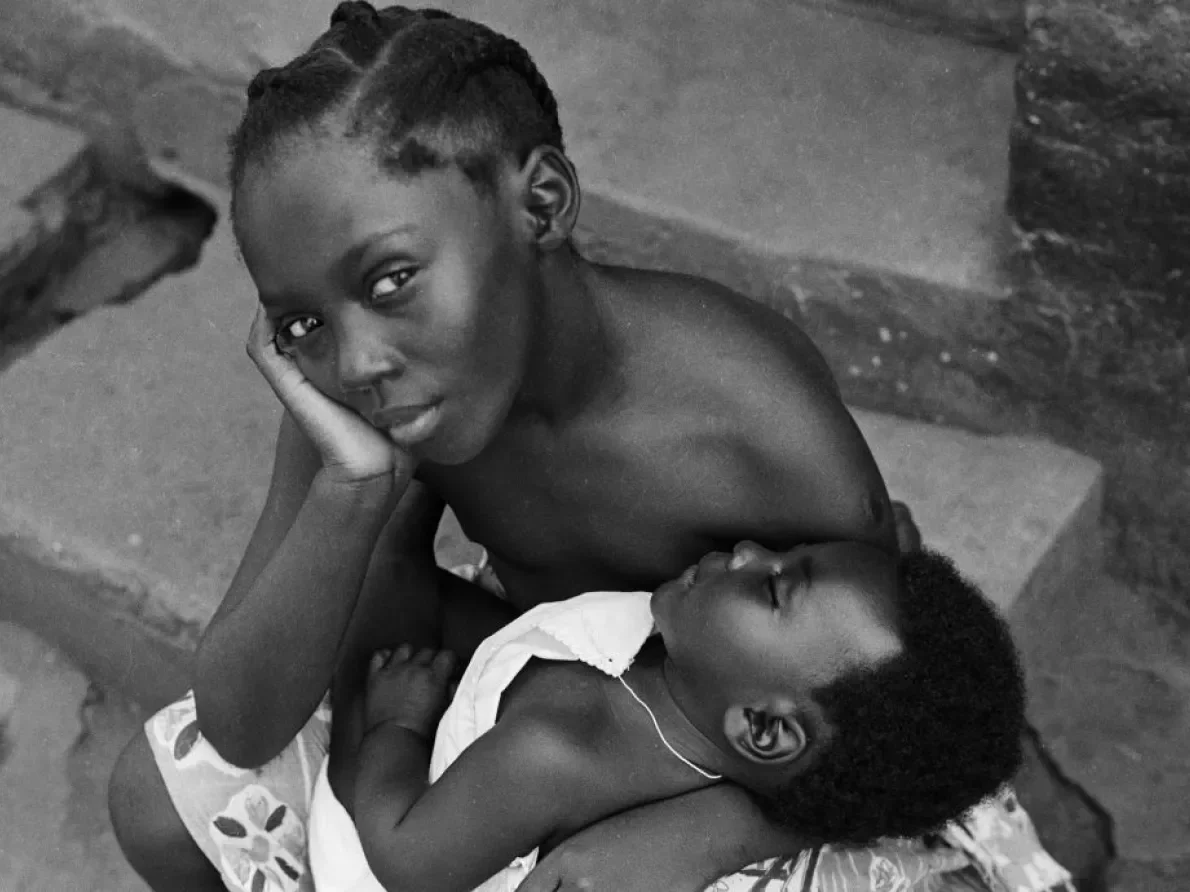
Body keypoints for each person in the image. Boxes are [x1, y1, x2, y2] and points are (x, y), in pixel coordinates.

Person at [106, 4, 1072, 892]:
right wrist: (354, 494)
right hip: (550, 688)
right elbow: (239, 726)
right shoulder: (370, 387)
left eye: (392, 277)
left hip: (740, 771)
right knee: (157, 799)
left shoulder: (753, 421)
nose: (357, 358)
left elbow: (870, 714)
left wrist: (713, 833)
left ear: (541, 205)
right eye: (300, 322)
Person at [310, 539, 1028, 892]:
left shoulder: (552, 752)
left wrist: (396, 728)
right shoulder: (682, 672)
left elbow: (405, 858)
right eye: (783, 555)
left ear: (764, 730)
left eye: (774, 587)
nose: (749, 549)